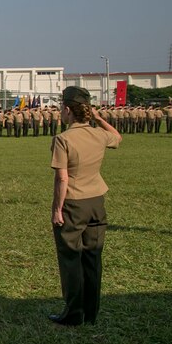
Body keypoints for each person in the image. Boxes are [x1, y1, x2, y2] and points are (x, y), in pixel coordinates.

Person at [48, 86, 121, 326]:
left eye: (62, 108)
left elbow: (62, 178)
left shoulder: (63, 139)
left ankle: (73, 313)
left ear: (68, 110)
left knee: (71, 258)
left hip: (74, 204)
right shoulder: (98, 134)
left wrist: (58, 209)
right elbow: (117, 138)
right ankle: (91, 312)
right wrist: (99, 119)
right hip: (97, 202)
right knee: (92, 258)